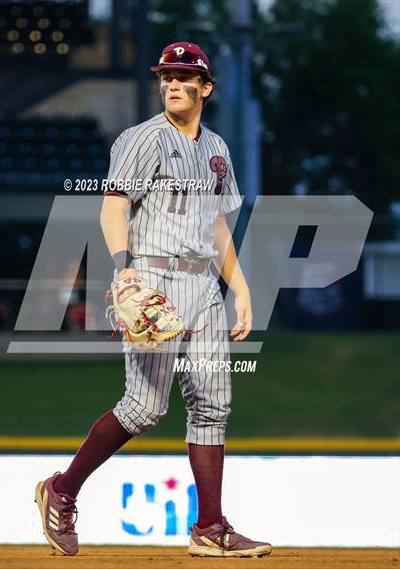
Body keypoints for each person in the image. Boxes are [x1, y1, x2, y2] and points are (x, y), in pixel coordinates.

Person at [35, 41, 272, 558]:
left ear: (206, 88)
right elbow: (112, 208)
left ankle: (210, 528)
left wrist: (243, 289)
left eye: (185, 76)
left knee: (212, 406)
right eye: (167, 75)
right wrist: (124, 276)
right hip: (153, 284)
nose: (173, 84)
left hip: (204, 289)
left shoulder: (217, 150)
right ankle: (63, 489)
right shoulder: (142, 139)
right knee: (144, 407)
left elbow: (216, 227)